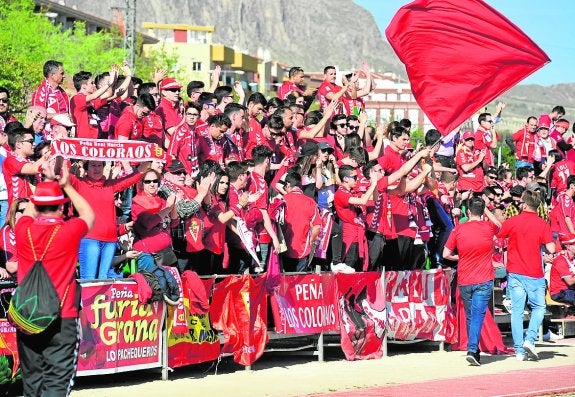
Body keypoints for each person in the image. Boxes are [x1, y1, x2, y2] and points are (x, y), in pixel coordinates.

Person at [15, 165, 95, 397]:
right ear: (62, 207)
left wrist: (44, 182)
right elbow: (89, 215)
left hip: (28, 315)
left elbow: (29, 212)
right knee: (57, 383)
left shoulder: (23, 229)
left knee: (32, 382)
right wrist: (67, 185)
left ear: (37, 205)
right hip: (62, 317)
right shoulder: (68, 231)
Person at [497, 190, 555, 361]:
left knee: (517, 311)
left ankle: (519, 351)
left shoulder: (513, 221)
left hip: (515, 271)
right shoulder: (542, 224)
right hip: (534, 273)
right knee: (539, 308)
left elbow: (499, 234)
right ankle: (530, 339)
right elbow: (551, 248)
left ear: (524, 203)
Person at [443, 196, 501, 366]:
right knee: (477, 315)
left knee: (471, 316)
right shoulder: (488, 227)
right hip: (483, 277)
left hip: (465, 278)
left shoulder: (458, 229)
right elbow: (499, 225)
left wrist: (459, 257)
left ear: (468, 211)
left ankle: (474, 350)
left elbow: (446, 254)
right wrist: (487, 211)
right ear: (482, 211)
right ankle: (472, 348)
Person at [281, 172, 321, 272]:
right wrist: (310, 242)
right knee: (299, 284)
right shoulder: (310, 201)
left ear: (288, 185)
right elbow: (317, 226)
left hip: (284, 248)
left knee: (285, 284)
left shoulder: (282, 200)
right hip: (303, 249)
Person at [0, 198, 28, 280]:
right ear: (14, 214)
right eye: (24, 211)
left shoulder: (32, 230)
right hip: (14, 282)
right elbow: (11, 267)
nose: (29, 214)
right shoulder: (8, 231)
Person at [549, 233, 575, 305]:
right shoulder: (561, 260)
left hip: (570, 290)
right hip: (559, 292)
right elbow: (569, 281)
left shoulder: (572, 259)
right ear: (568, 246)